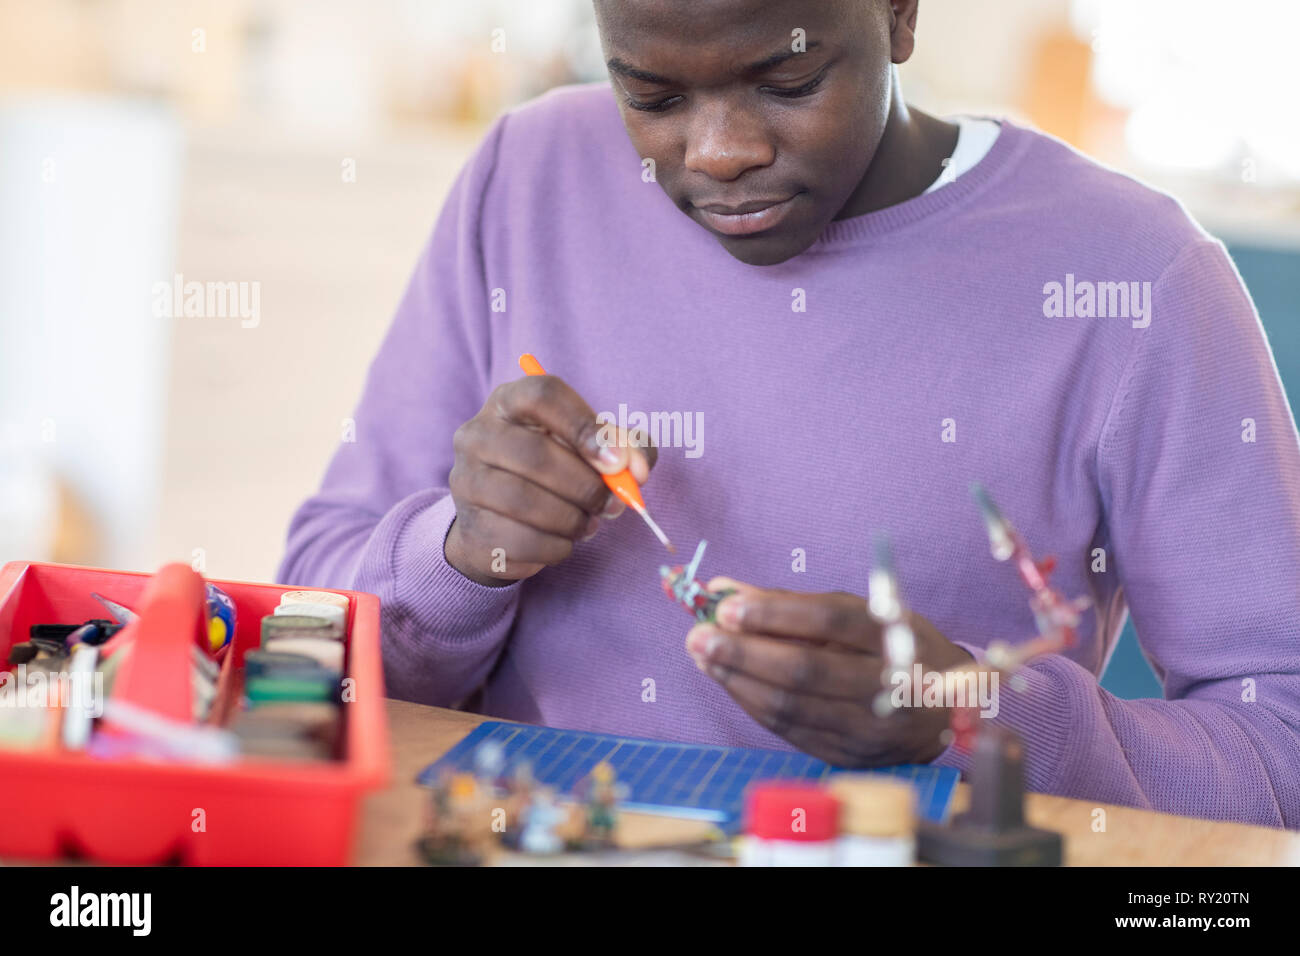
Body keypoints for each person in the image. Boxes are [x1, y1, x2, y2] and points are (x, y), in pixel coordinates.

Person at [279, 0, 1300, 827]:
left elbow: (1281, 747)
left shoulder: (1136, 277)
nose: (719, 151)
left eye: (787, 81)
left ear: (900, 16)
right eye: (653, 93)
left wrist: (970, 715)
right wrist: (459, 555)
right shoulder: (526, 177)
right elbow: (301, 642)